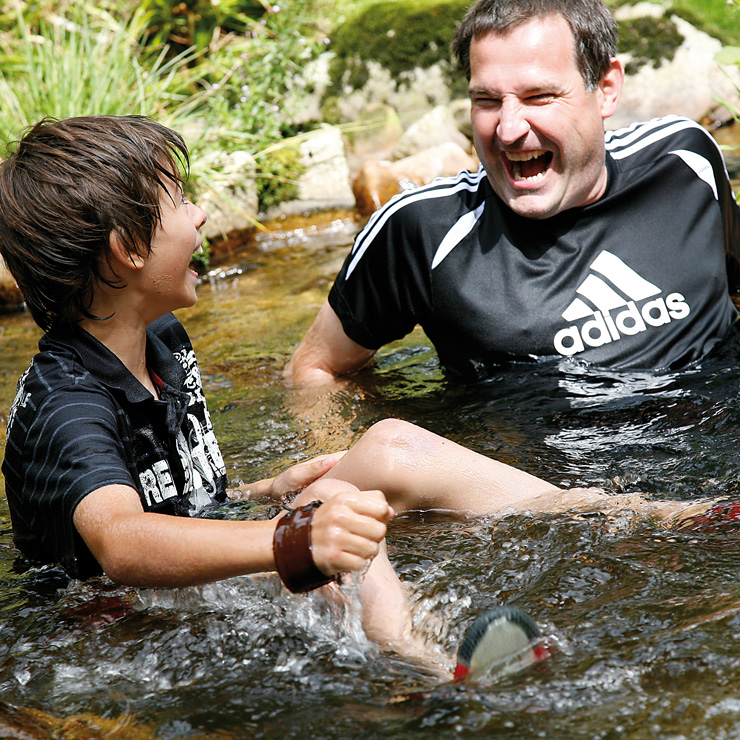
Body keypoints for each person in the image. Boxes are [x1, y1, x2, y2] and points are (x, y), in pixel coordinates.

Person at [0, 115, 728, 676]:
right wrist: (293, 536)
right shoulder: (70, 405)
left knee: (388, 445)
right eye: (181, 200)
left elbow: (184, 501)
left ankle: (642, 516)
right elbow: (122, 543)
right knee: (331, 520)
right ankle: (426, 665)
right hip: (119, 628)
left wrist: (268, 488)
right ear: (128, 249)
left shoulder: (160, 341)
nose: (200, 217)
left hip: (193, 578)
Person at [284, 0, 740, 386]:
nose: (508, 129)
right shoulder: (423, 231)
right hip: (542, 487)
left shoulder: (685, 162)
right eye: (486, 100)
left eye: (538, 96)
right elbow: (313, 370)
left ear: (605, 89)